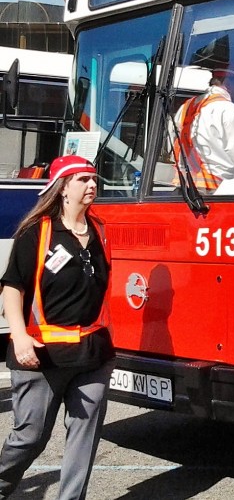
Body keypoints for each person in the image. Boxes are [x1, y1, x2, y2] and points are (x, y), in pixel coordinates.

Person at [0, 155, 114, 500]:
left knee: (84, 437)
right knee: (30, 437)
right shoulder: (37, 232)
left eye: (94, 179)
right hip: (42, 355)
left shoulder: (99, 231)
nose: (92, 185)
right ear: (63, 188)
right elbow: (12, 288)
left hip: (92, 353)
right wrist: (19, 337)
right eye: (82, 179)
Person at [171, 64, 234, 192]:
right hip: (216, 193)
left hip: (182, 190)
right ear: (228, 82)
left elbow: (172, 148)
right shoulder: (230, 111)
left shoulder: (186, 107)